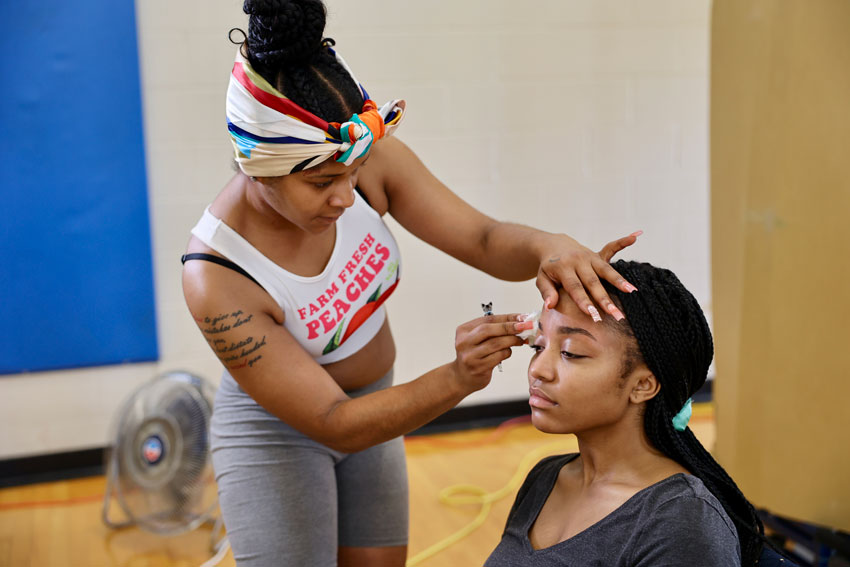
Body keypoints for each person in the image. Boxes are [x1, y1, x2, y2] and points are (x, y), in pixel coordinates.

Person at [181, 1, 639, 565]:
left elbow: (484, 239)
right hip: (279, 435)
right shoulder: (216, 275)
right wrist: (457, 377)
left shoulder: (356, 156)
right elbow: (333, 423)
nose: (346, 195)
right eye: (324, 182)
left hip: (378, 400)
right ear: (257, 165)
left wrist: (551, 246)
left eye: (353, 174)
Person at [485, 260, 770, 567]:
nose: (538, 370)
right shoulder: (545, 478)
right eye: (538, 346)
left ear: (643, 385)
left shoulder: (681, 522)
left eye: (570, 352)